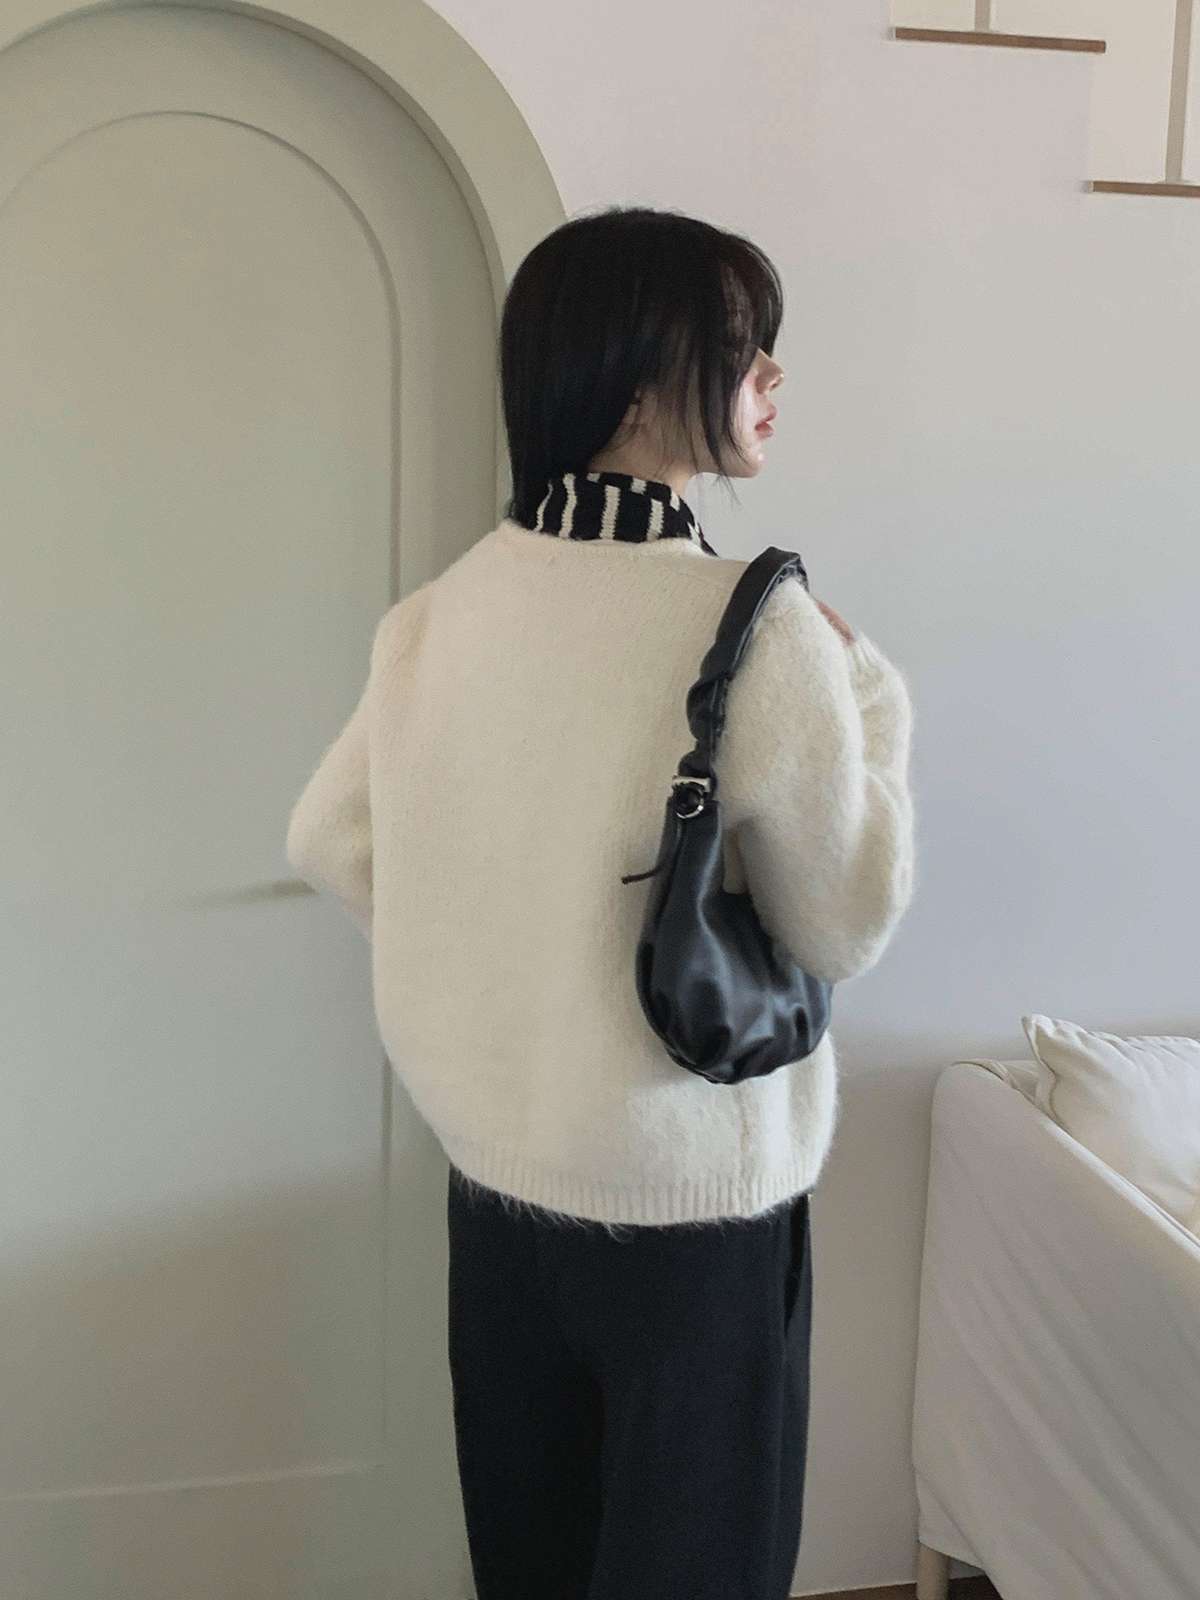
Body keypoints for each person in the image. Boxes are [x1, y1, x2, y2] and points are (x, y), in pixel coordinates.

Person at [285, 203, 917, 1600]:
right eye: (742, 344)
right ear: (638, 382)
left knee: (536, 1566)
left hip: (499, 1194)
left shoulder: (440, 613)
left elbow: (328, 836)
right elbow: (843, 922)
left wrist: (505, 960)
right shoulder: (755, 624)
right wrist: (873, 698)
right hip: (695, 1207)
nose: (773, 377)